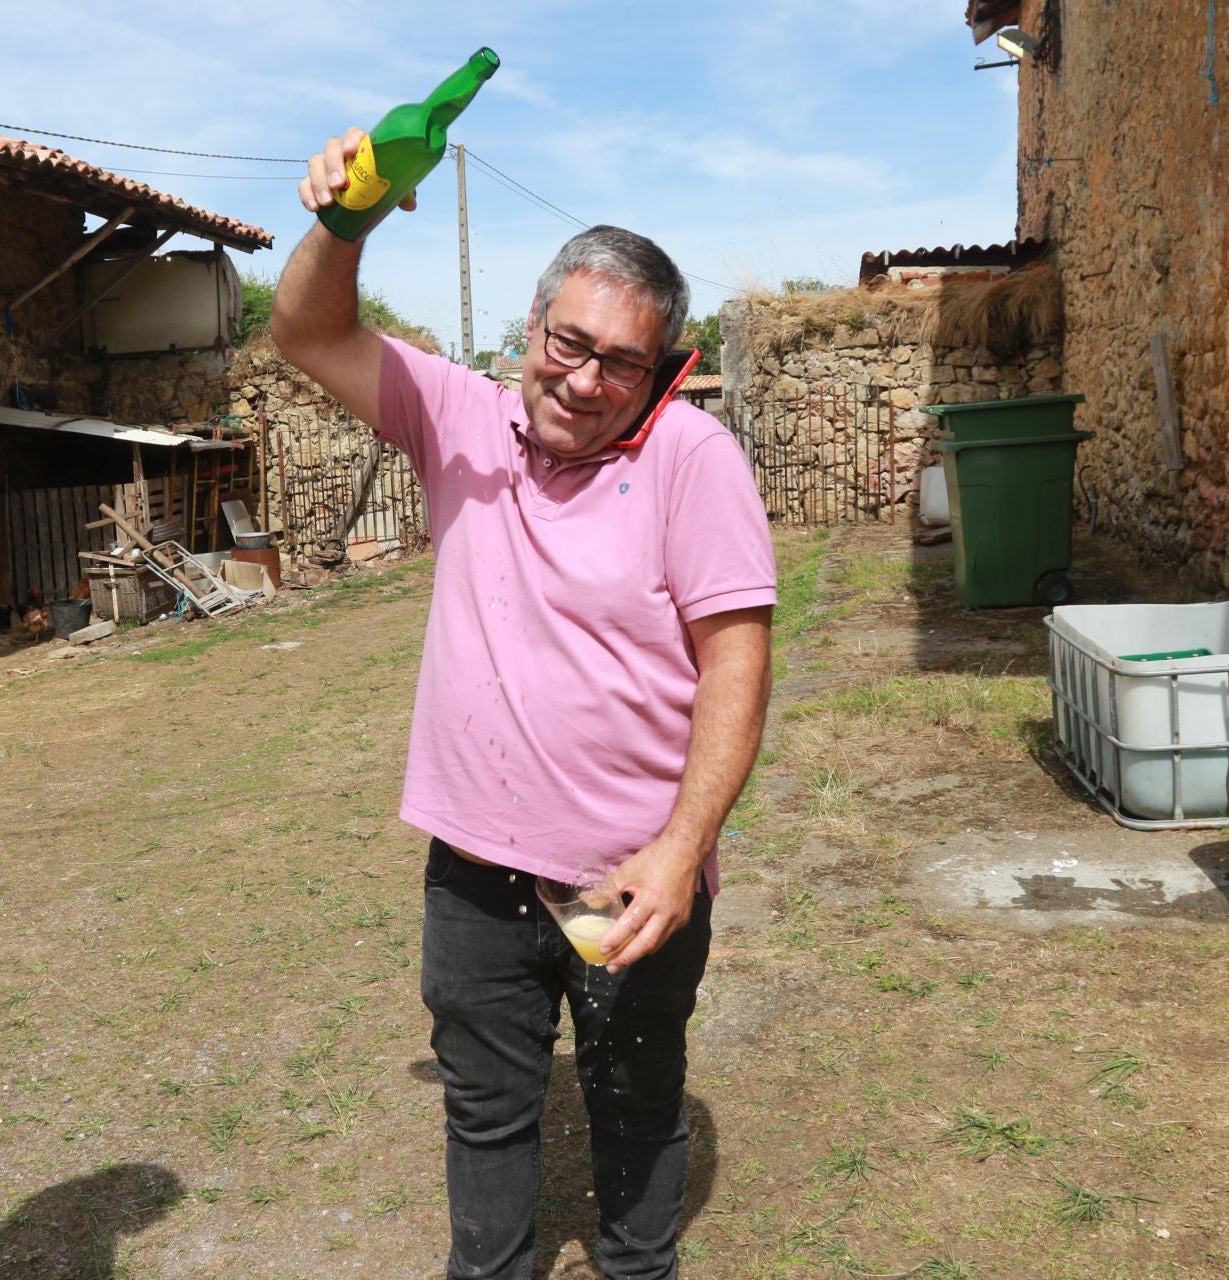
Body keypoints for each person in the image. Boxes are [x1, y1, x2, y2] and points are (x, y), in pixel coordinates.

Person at [272, 130, 775, 1279]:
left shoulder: (695, 462)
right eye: (570, 342)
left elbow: (736, 661)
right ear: (532, 326)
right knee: (486, 1115)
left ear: (665, 373)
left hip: (627, 879)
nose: (587, 379)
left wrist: (684, 845)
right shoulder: (460, 417)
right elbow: (304, 328)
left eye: (624, 365)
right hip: (474, 871)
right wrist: (346, 221)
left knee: (637, 1108)